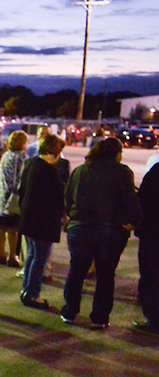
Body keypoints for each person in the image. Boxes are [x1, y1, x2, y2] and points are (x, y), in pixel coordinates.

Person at [61, 138, 141, 329]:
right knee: (105, 275)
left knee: (76, 271)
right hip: (110, 231)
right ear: (116, 154)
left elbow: (67, 198)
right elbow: (130, 201)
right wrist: (133, 222)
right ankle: (99, 317)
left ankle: (70, 311)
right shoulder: (122, 172)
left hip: (80, 228)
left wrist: (73, 216)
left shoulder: (80, 171)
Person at [16, 134, 66, 309]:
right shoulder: (50, 171)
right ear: (54, 152)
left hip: (29, 219)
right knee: (40, 258)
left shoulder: (31, 164)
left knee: (32, 255)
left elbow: (21, 190)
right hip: (44, 222)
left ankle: (27, 290)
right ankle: (32, 294)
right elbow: (60, 198)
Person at [0, 131, 28, 267]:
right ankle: (12, 255)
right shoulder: (21, 157)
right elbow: (18, 179)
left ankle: (0, 252)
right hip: (12, 198)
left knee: (2, 226)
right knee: (13, 228)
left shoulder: (6, 155)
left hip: (0, 197)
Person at [134, 162, 159, 335]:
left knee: (151, 276)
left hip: (152, 233)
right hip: (151, 232)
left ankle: (154, 319)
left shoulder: (156, 172)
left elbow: (142, 199)